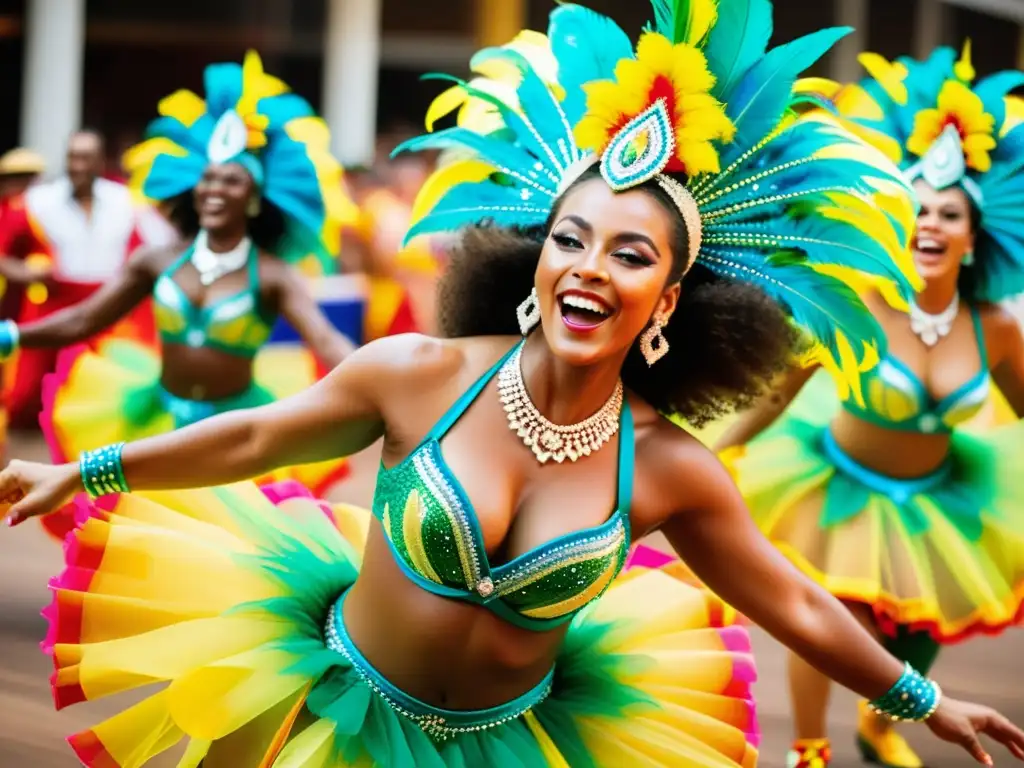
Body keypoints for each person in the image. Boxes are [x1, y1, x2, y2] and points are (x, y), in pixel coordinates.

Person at [3, 4, 1024, 767]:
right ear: (535, 262)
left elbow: (792, 599)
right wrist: (85, 473)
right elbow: (255, 439)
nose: (588, 266)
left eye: (630, 256)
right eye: (570, 238)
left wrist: (919, 702)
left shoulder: (666, 467)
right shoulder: (420, 374)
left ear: (666, 304)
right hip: (336, 715)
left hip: (518, 740)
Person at [714, 42, 1024, 768]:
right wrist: (715, 445)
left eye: (949, 213)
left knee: (920, 624)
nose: (931, 224)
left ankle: (880, 724)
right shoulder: (856, 302)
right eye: (917, 207)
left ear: (974, 237)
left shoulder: (999, 330)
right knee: (838, 615)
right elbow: (778, 391)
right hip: (837, 485)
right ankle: (813, 748)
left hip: (943, 497)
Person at [0, 51, 355, 542]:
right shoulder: (155, 260)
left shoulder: (273, 275)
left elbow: (325, 339)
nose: (214, 189)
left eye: (231, 180)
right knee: (140, 544)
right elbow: (84, 320)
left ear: (253, 198)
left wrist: (375, 374)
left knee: (219, 550)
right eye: (207, 177)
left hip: (231, 434)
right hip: (153, 420)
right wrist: (12, 335)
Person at [0, 130, 177, 428]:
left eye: (86, 158)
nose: (78, 165)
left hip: (112, 302)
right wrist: (26, 273)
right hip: (54, 302)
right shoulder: (36, 201)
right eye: (72, 157)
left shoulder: (127, 200)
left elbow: (165, 243)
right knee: (26, 398)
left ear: (100, 162)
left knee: (112, 393)